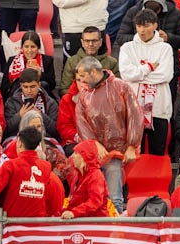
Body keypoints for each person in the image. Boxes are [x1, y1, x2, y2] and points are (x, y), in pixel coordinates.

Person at [58, 57, 142, 209]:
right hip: (92, 152)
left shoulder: (121, 86)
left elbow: (135, 116)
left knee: (114, 195)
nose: (80, 81)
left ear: (93, 72)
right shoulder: (84, 94)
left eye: (82, 76)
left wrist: (132, 145)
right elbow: (81, 123)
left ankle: (115, 216)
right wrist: (94, 144)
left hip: (117, 151)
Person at [114, 9, 174, 155]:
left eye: (146, 26)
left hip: (158, 108)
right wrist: (149, 68)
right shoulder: (127, 47)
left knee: (157, 154)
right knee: (134, 153)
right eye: (139, 26)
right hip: (134, 108)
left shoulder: (165, 48)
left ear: (155, 26)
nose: (142, 30)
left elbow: (165, 75)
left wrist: (138, 74)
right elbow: (126, 74)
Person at [4, 68, 59, 140]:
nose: (29, 91)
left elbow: (56, 131)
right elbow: (6, 129)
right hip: (17, 138)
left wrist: (41, 116)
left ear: (39, 85)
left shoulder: (50, 103)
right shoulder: (12, 102)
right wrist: (19, 116)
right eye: (25, 87)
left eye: (32, 86)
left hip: (44, 139)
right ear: (21, 85)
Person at [3, 30, 58, 97]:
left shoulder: (46, 60)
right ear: (22, 47)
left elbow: (52, 86)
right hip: (16, 97)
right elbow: (4, 87)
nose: (29, 50)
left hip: (40, 97)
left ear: (38, 47)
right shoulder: (12, 61)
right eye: (26, 47)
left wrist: (41, 75)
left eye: (33, 47)